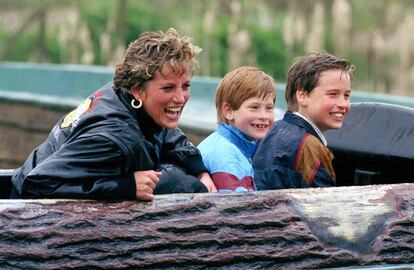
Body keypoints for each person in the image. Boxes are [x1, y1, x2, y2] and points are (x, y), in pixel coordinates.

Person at [10, 28, 216, 200]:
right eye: (168, 88)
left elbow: (166, 132)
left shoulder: (126, 96)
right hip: (27, 222)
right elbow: (37, 183)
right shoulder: (115, 138)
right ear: (137, 89)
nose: (180, 98)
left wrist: (199, 169)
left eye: (185, 86)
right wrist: (125, 186)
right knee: (177, 183)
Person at [253, 52, 355, 190]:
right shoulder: (311, 147)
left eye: (346, 95)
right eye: (333, 94)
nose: (343, 104)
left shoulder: (269, 131)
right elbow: (324, 206)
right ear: (303, 96)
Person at [198, 66, 275, 192]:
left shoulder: (227, 144)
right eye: (254, 107)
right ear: (228, 111)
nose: (263, 116)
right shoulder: (227, 157)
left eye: (269, 108)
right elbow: (237, 209)